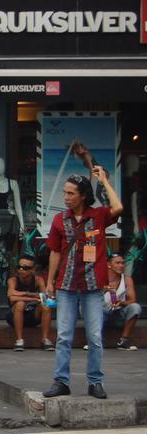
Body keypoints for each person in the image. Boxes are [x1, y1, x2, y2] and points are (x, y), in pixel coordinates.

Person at [43, 169, 123, 400]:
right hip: (66, 286)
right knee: (64, 336)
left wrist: (105, 181)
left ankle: (95, 382)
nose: (66, 197)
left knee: (95, 337)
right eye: (65, 193)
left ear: (83, 196)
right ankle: (61, 381)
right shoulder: (60, 219)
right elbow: (55, 252)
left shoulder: (98, 216)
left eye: (70, 193)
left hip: (92, 288)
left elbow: (117, 207)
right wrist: (50, 282)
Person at [7, 254, 53, 352]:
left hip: (33, 315)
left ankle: (45, 339)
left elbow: (44, 297)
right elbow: (11, 296)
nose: (21, 270)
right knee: (20, 303)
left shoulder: (38, 280)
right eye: (19, 267)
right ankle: (19, 340)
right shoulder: (13, 280)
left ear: (32, 270)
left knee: (46, 305)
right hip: (14, 316)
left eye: (25, 268)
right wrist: (32, 296)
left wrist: (22, 296)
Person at [103, 252, 140, 351]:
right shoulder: (100, 278)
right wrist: (104, 290)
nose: (121, 265)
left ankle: (123, 341)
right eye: (118, 263)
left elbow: (132, 300)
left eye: (122, 263)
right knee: (93, 307)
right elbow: (90, 299)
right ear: (109, 265)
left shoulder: (127, 279)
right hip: (101, 316)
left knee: (135, 307)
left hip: (119, 315)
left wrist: (121, 302)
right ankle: (95, 340)